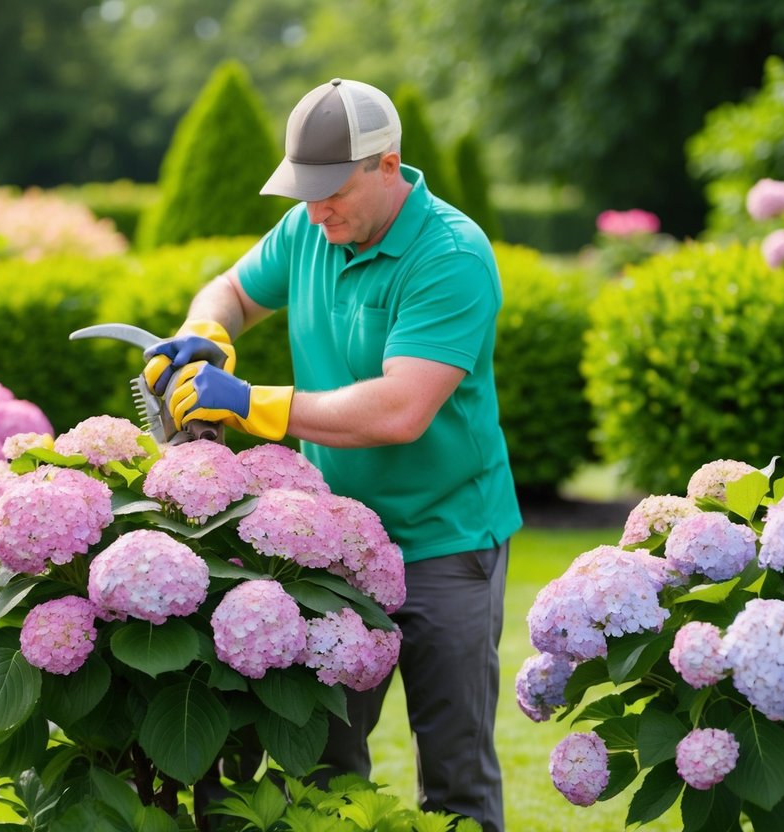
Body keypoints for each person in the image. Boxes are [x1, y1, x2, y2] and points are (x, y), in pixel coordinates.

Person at [142, 77, 521, 832]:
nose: (316, 210)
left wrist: (254, 405)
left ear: (387, 166)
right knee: (323, 759)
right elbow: (234, 291)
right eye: (303, 192)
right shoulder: (308, 230)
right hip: (333, 546)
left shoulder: (450, 256)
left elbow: (401, 409)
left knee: (454, 772)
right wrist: (207, 330)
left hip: (446, 541)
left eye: (330, 191)